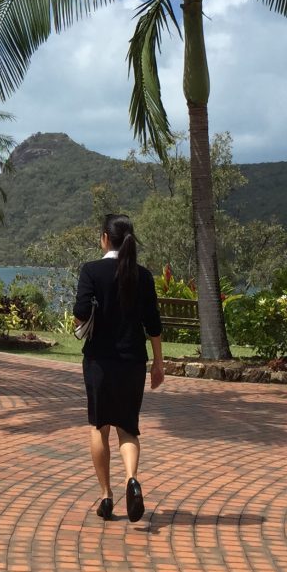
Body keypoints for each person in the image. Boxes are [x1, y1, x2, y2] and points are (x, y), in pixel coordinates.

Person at [72, 213, 164, 522]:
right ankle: (131, 480)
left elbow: (80, 313)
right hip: (133, 362)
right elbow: (153, 324)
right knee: (128, 428)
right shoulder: (143, 276)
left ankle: (107, 495)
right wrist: (158, 363)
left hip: (99, 361)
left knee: (101, 427)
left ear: (103, 238)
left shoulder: (92, 271)